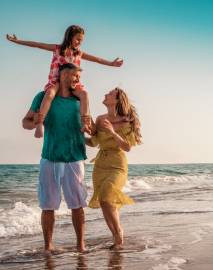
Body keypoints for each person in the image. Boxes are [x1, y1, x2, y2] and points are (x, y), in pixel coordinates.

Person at [7, 24, 123, 138]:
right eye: (78, 39)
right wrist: (18, 41)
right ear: (69, 37)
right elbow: (37, 45)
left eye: (81, 40)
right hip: (57, 82)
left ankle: (86, 124)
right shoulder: (57, 49)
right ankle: (39, 123)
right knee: (50, 93)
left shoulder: (79, 53)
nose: (79, 42)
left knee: (84, 94)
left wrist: (111, 64)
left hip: (73, 84)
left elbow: (97, 59)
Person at [22, 63, 89, 253]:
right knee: (48, 205)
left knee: (77, 204)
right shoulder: (43, 97)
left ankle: (80, 244)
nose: (75, 79)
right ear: (62, 75)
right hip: (49, 157)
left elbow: (88, 125)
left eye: (77, 76)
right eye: (72, 75)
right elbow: (25, 122)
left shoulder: (80, 100)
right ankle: (48, 245)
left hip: (75, 157)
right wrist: (35, 122)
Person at [86, 87, 142, 248]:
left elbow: (127, 147)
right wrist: (77, 135)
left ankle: (119, 235)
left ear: (117, 100)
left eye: (110, 94)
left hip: (118, 165)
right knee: (105, 202)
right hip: (100, 165)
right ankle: (116, 236)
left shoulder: (127, 120)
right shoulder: (99, 118)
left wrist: (112, 131)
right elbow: (94, 142)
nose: (105, 94)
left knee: (107, 194)